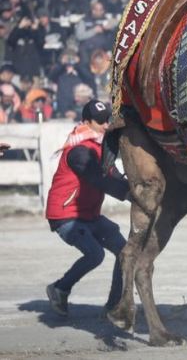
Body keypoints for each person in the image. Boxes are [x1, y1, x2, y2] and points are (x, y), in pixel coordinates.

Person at [45, 100, 130, 317]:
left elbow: (111, 172)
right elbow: (98, 178)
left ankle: (113, 306)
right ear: (86, 122)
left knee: (125, 253)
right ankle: (59, 288)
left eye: (107, 120)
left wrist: (132, 188)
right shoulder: (79, 150)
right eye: (100, 121)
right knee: (95, 254)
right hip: (65, 215)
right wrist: (128, 194)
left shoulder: (100, 144)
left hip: (89, 214)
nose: (105, 124)